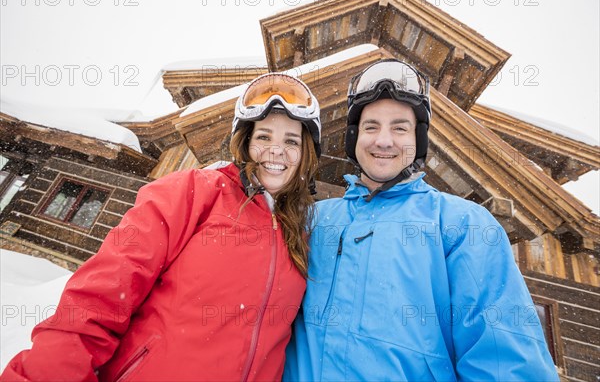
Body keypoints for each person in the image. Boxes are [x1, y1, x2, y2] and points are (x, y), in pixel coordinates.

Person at [1, 73, 321, 381]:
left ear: (304, 154)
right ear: (245, 141)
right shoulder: (195, 193)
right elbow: (99, 298)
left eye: (291, 140)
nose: (276, 150)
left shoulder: (301, 233)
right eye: (264, 136)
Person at [284, 59, 559, 381]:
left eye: (399, 128)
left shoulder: (462, 225)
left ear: (420, 139)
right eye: (371, 127)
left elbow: (505, 361)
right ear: (354, 137)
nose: (383, 141)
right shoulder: (313, 220)